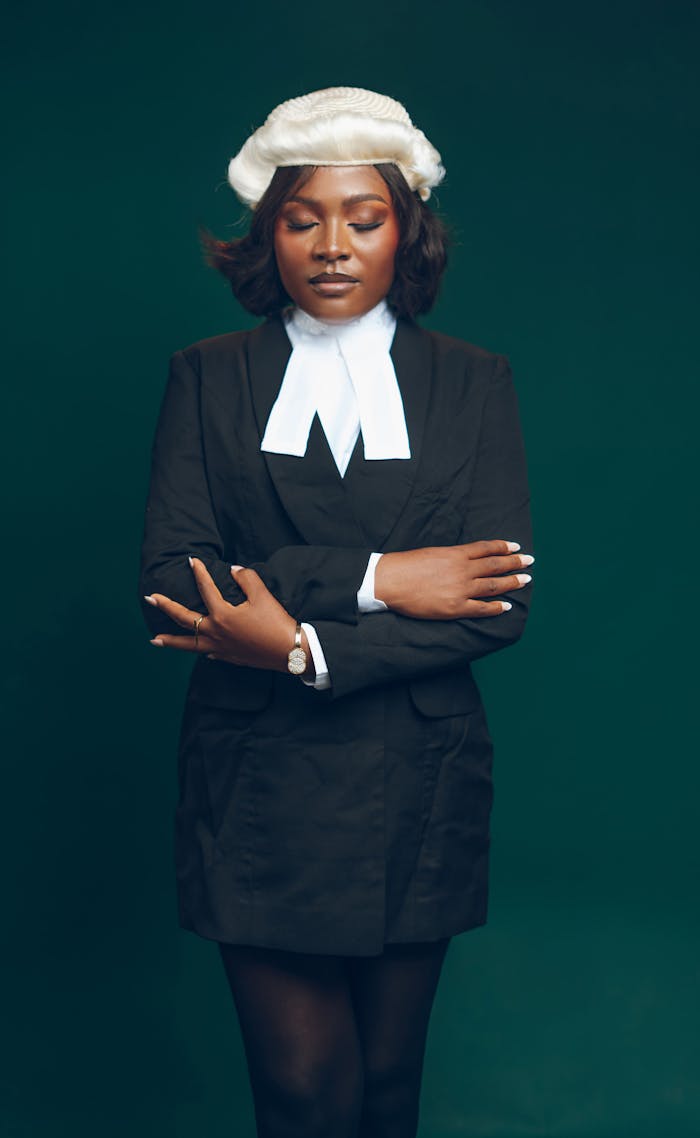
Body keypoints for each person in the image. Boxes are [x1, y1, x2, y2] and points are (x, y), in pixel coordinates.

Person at [139, 87, 534, 1138]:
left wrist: (303, 640)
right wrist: (380, 577)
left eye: (364, 218)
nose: (332, 244)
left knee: (387, 1093)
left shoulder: (474, 382)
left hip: (421, 782)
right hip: (256, 781)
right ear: (266, 233)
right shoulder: (207, 377)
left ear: (406, 232)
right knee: (305, 1096)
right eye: (302, 216)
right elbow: (179, 579)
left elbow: (492, 604)